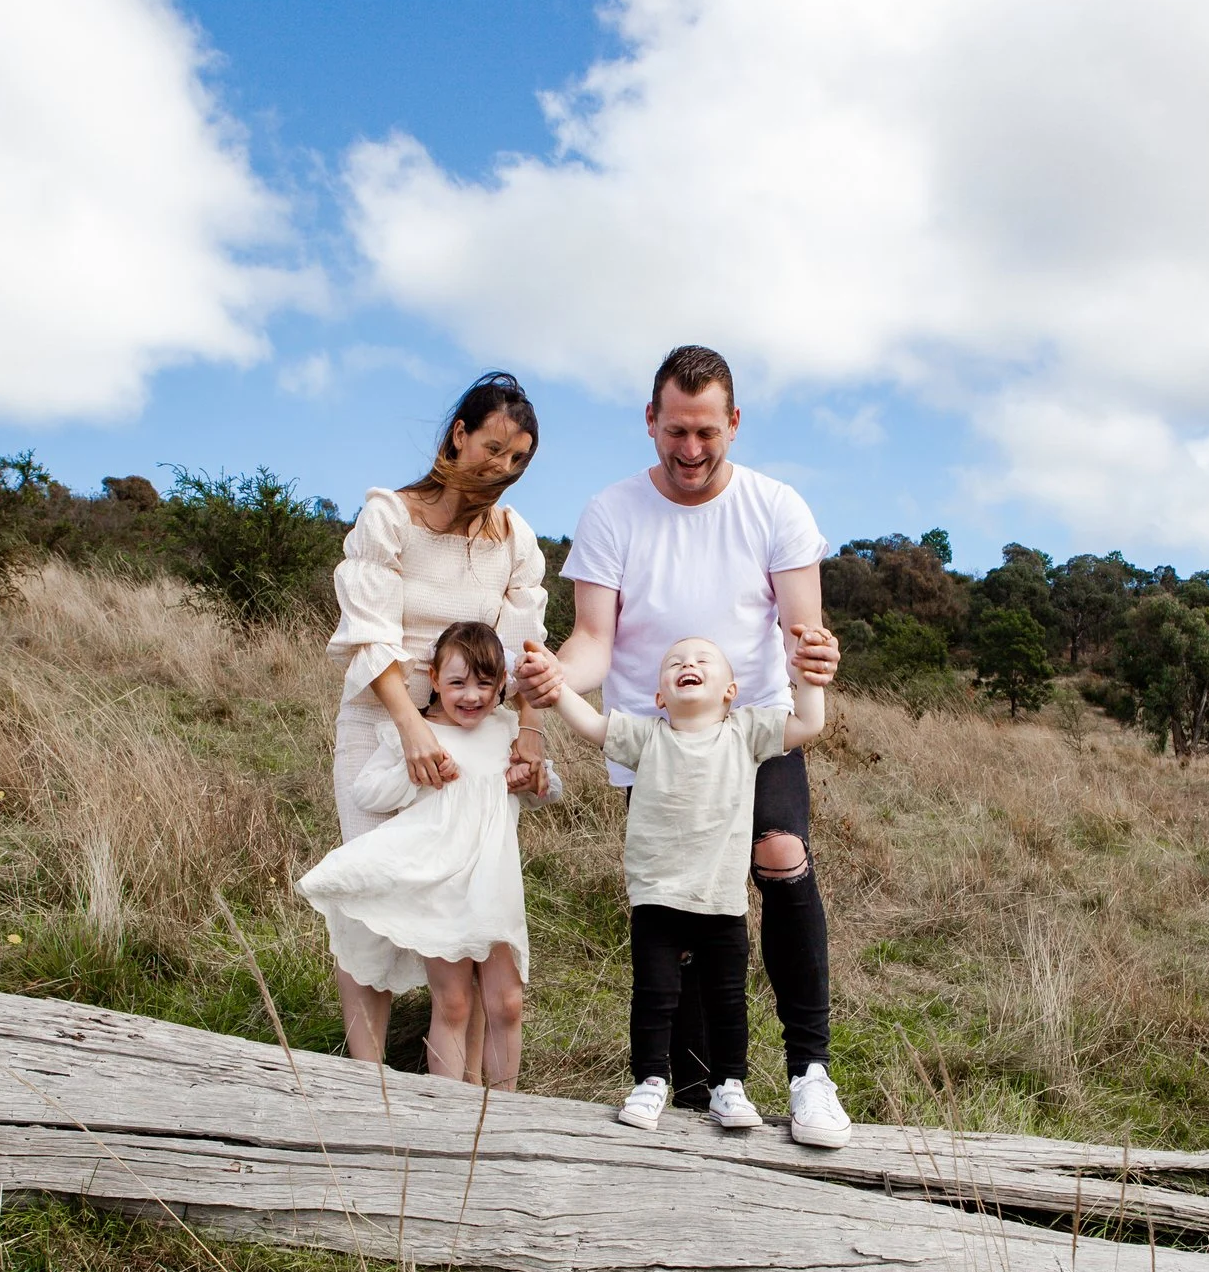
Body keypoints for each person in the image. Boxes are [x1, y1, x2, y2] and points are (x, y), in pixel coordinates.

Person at [516, 345, 853, 1148]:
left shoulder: (778, 509)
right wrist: (552, 678)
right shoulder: (612, 512)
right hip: (657, 738)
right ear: (650, 422)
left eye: (708, 432)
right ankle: (700, 1086)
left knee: (777, 849)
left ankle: (810, 1071)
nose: (691, 450)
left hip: (753, 726)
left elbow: (802, 633)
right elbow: (596, 638)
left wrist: (820, 661)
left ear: (733, 423)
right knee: (683, 904)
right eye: (676, 432)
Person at [326, 372, 551, 1071]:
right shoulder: (390, 517)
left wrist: (531, 734)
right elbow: (370, 632)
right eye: (493, 449)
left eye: (518, 459)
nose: (503, 469)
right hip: (383, 723)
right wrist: (411, 726)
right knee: (376, 894)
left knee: (469, 911)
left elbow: (523, 653)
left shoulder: (515, 541)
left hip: (474, 735)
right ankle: (369, 1081)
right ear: (459, 434)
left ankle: (465, 1103)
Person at [538, 633, 825, 1131]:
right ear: (659, 697)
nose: (687, 664)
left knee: (727, 1000)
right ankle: (650, 1081)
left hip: (722, 900)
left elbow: (810, 722)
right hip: (656, 898)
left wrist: (805, 677)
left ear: (731, 690)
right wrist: (555, 680)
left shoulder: (747, 732)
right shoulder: (646, 736)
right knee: (655, 995)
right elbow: (589, 723)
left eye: (701, 660)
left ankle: (728, 1086)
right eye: (674, 662)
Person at [298, 623, 559, 1087]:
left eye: (485, 683)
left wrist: (531, 779)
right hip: (440, 888)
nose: (472, 696)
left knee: (507, 1002)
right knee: (454, 1002)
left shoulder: (505, 730)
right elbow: (369, 791)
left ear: (502, 685)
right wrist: (416, 772)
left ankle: (505, 1110)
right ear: (433, 679)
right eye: (457, 682)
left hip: (494, 886)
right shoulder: (416, 737)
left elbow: (546, 788)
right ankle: (447, 1113)